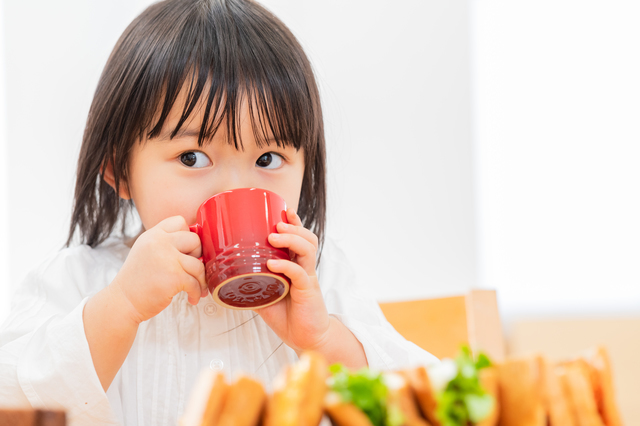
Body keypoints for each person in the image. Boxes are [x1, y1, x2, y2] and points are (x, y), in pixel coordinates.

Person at [0, 0, 438, 424]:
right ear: (120, 169)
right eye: (192, 158)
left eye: (267, 159)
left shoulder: (324, 281)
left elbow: (424, 401)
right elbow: (13, 397)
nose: (237, 189)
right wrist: (122, 306)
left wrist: (322, 338)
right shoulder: (77, 280)